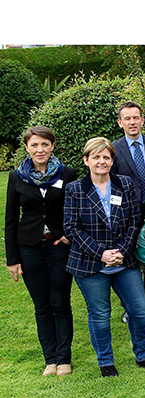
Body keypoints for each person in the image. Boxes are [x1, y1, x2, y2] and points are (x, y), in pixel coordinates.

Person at [64, 137, 145, 378]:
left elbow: (135, 221)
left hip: (124, 260)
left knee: (139, 309)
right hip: (90, 263)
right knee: (100, 314)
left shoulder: (125, 184)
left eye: (106, 157)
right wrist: (102, 254)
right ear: (86, 160)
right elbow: (71, 228)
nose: (101, 161)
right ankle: (106, 361)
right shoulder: (75, 189)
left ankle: (144, 355)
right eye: (96, 157)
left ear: (111, 160)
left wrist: (120, 251)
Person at [5, 126, 77, 376]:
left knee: (61, 302)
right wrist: (12, 259)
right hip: (29, 248)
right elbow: (11, 220)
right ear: (27, 148)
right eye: (34, 145)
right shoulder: (17, 177)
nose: (40, 149)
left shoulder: (67, 173)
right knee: (42, 306)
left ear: (52, 146)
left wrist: (70, 234)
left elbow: (74, 208)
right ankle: (50, 360)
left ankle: (64, 358)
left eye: (44, 144)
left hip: (58, 246)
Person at [111, 101, 145, 322]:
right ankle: (131, 305)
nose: (132, 122)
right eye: (127, 118)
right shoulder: (114, 149)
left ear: (143, 120)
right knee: (129, 257)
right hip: (127, 212)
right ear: (120, 122)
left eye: (136, 117)